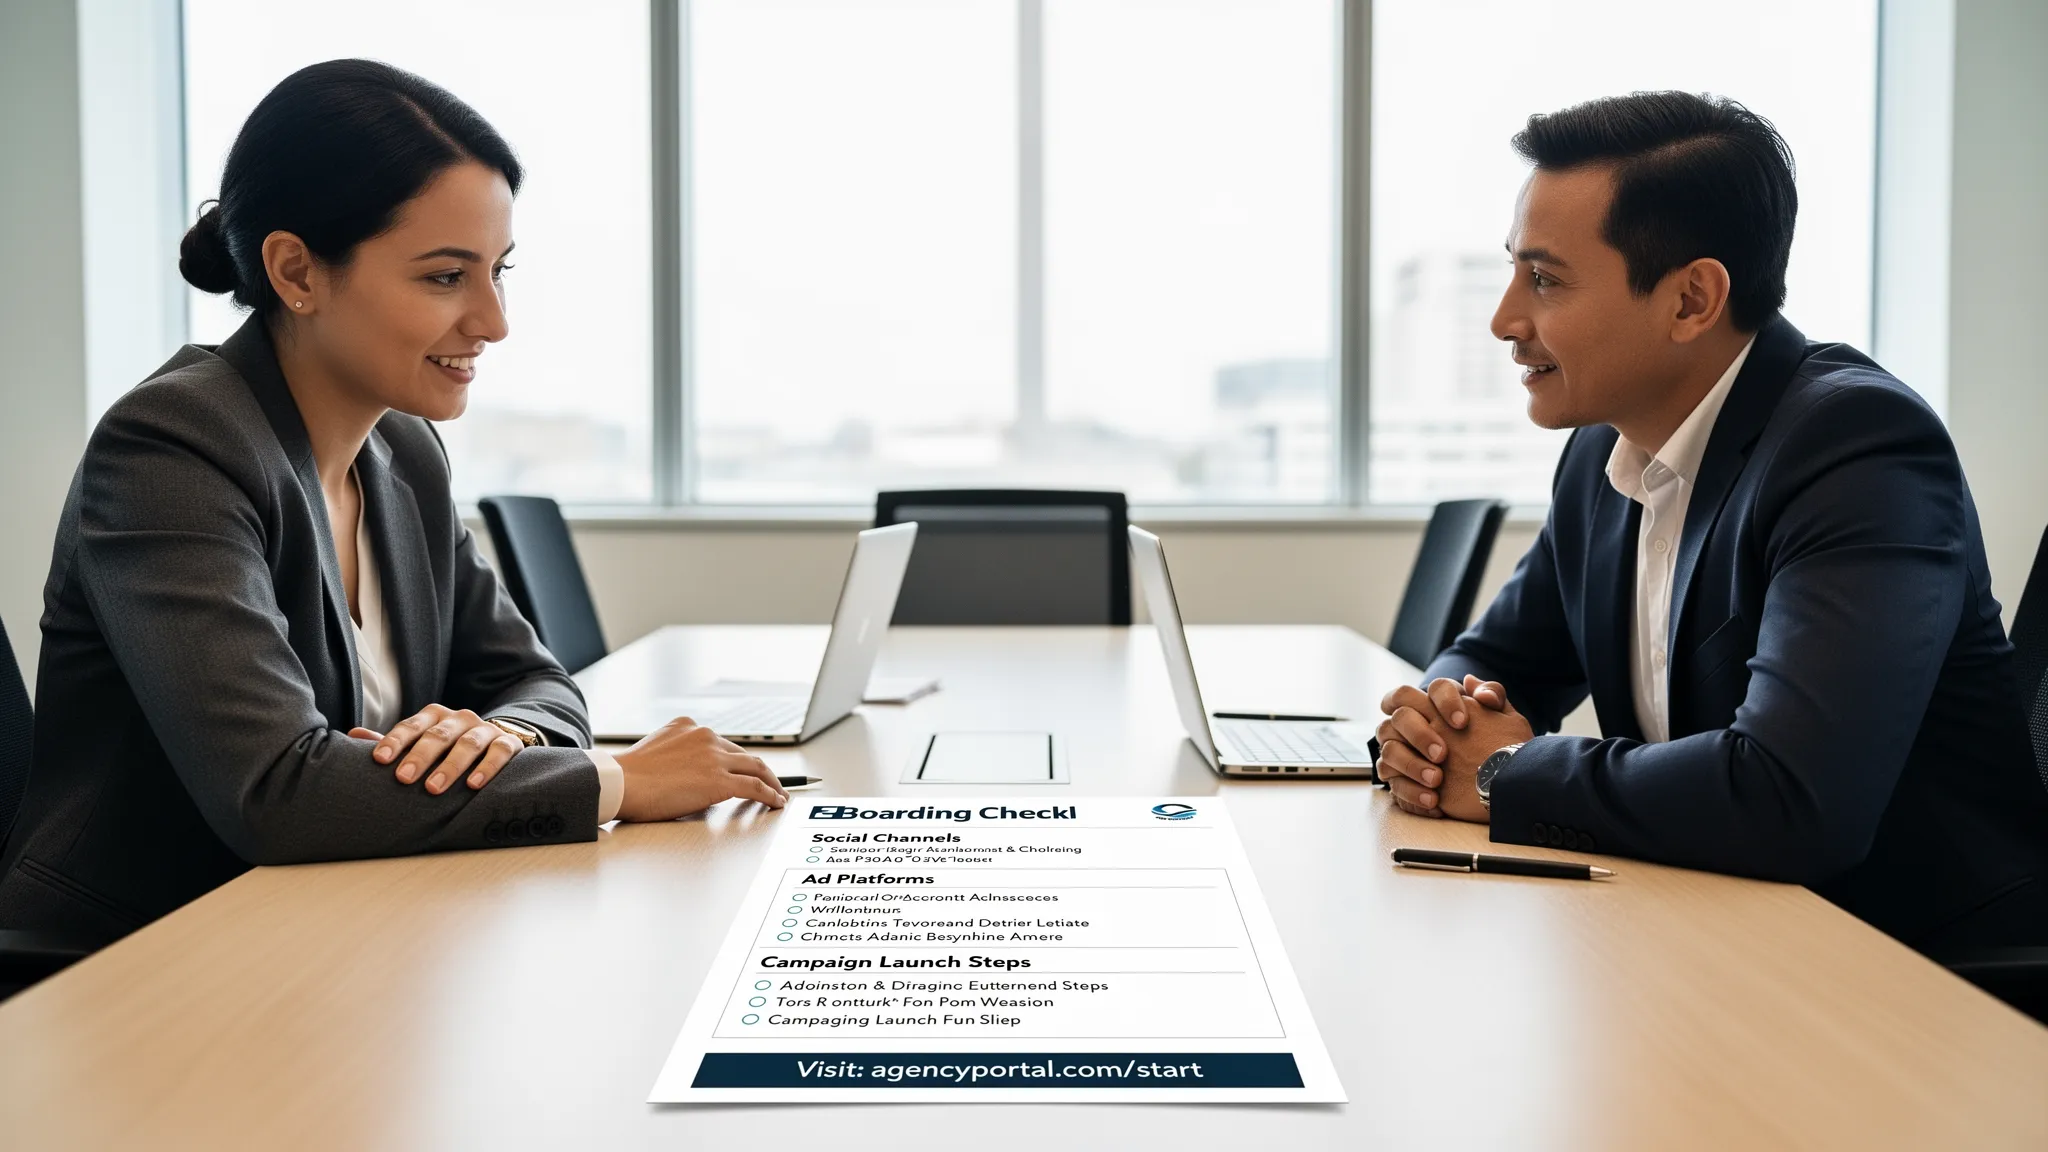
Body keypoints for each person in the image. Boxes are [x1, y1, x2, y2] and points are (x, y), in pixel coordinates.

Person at [0, 60, 787, 947]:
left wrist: (506, 740)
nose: (493, 320)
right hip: (132, 961)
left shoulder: (404, 453)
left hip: (331, 929)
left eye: (499, 270)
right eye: (447, 277)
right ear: (297, 271)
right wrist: (615, 784)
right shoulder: (172, 445)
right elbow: (277, 794)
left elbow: (536, 684)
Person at [1372, 91, 2048, 952]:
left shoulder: (1859, 447)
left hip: (1916, 968)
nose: (1505, 320)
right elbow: (1495, 662)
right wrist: (1433, 732)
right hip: (1714, 928)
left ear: (1692, 299)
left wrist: (1508, 774)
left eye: (1543, 278)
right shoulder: (1600, 455)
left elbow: (1792, 800)